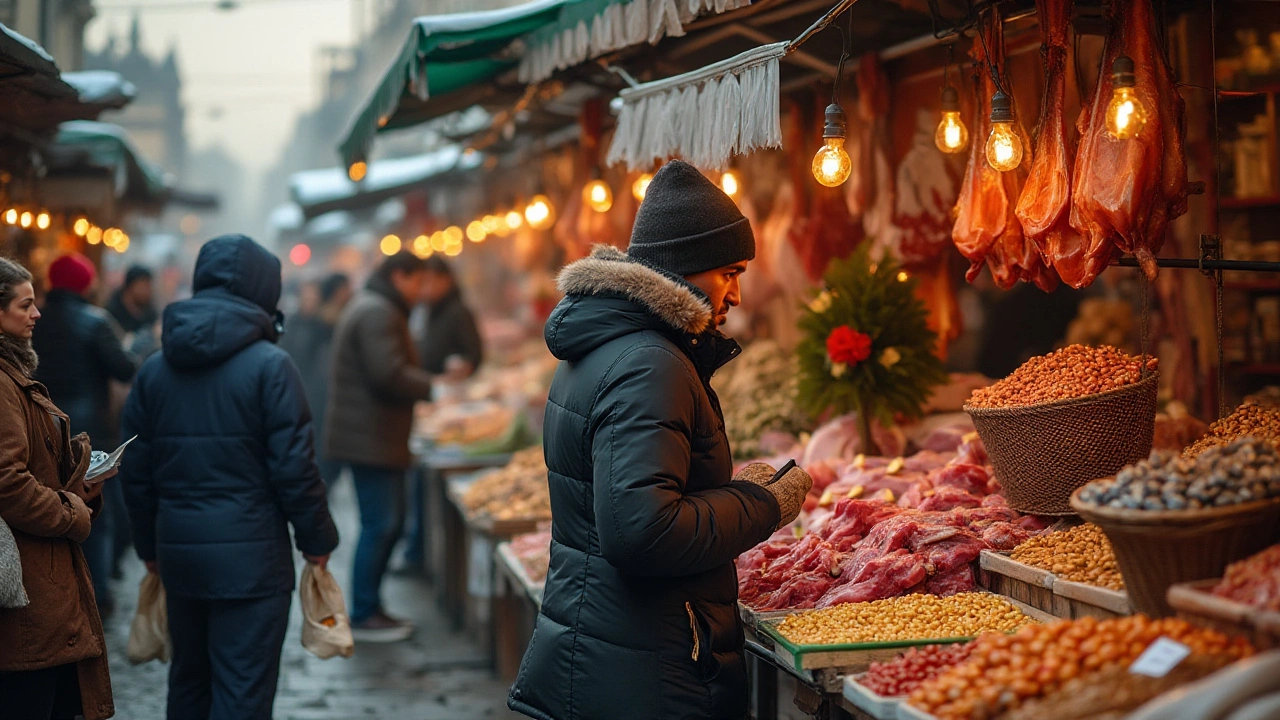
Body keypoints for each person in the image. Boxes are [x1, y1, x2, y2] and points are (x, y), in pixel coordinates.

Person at [508, 161, 812, 720]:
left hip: (611, 650)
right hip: (649, 672)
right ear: (686, 270)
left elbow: (630, 508)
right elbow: (641, 533)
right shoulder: (651, 363)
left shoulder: (609, 347)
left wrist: (732, 487)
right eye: (729, 273)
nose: (738, 295)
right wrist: (763, 503)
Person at [119, 235, 338, 720]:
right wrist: (317, 539)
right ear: (265, 290)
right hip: (253, 564)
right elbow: (295, 468)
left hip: (180, 557)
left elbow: (134, 470)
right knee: (243, 690)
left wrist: (149, 549)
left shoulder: (154, 370)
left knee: (190, 685)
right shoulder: (273, 367)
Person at [0, 256, 114, 720]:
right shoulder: (2, 383)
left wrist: (78, 485)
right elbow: (7, 481)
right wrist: (71, 511)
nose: (37, 313)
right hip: (27, 581)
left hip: (37, 575)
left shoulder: (13, 374)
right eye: (25, 304)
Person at [325, 251, 460, 642]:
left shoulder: (375, 306)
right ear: (400, 276)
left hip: (372, 436)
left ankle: (371, 607)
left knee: (385, 523)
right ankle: (365, 612)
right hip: (369, 438)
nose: (421, 291)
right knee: (381, 524)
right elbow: (386, 373)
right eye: (418, 281)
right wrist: (434, 387)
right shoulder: (377, 311)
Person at [31, 253, 138, 618]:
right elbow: (124, 370)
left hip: (40, 430)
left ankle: (53, 591)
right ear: (85, 284)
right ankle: (99, 594)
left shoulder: (33, 321)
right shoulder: (96, 322)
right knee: (99, 513)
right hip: (88, 434)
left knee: (49, 510)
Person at [400, 256, 482, 572]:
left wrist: (462, 365)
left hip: (450, 397)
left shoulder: (458, 311)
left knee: (421, 483)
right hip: (432, 400)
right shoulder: (427, 311)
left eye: (430, 281)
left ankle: (417, 552)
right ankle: (416, 549)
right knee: (418, 483)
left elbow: (475, 354)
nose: (425, 288)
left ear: (446, 279)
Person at [280, 273, 351, 486]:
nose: (309, 300)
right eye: (306, 296)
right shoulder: (291, 325)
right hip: (299, 393)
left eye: (313, 296)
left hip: (322, 396)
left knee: (320, 447)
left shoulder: (327, 326)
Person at [105, 264, 159, 358]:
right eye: (144, 285)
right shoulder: (110, 314)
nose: (148, 291)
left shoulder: (150, 312)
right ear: (130, 286)